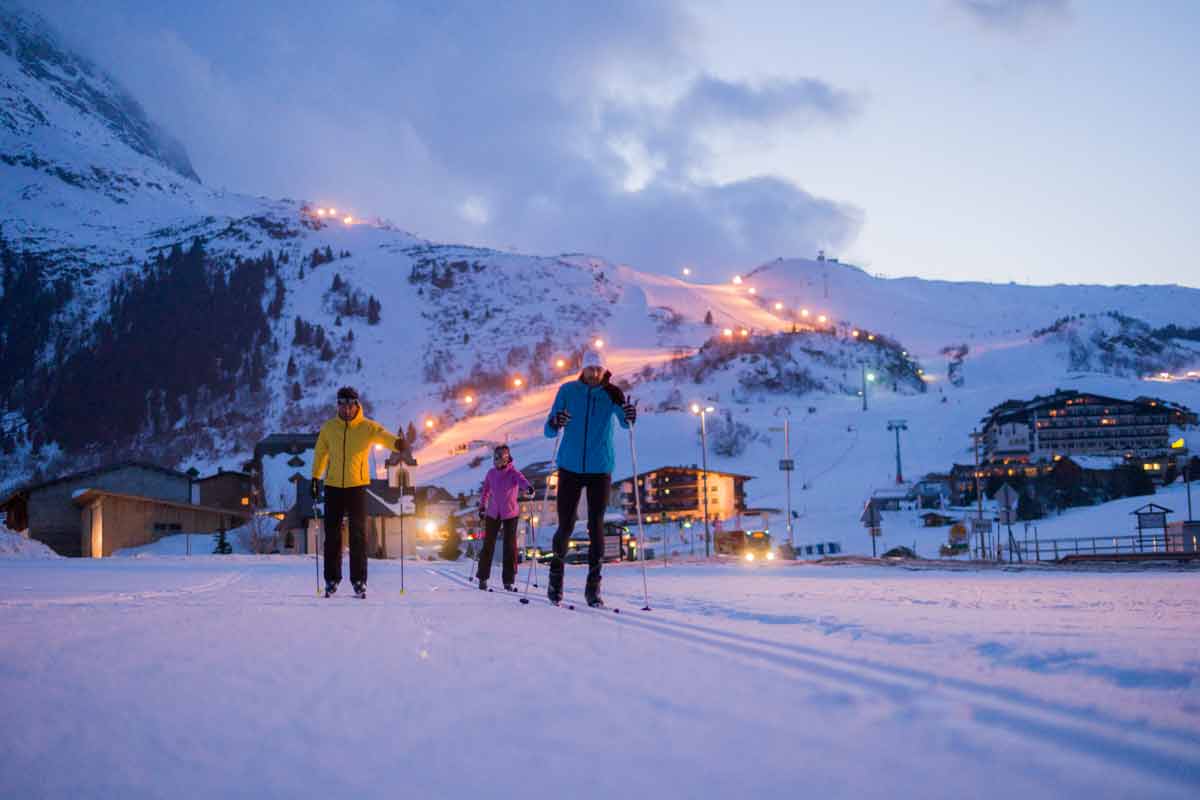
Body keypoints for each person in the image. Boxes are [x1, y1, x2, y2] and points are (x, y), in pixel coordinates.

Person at [543, 350, 636, 607]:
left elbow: (626, 424)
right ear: (582, 369)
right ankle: (555, 582)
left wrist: (629, 415)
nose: (594, 373)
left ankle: (593, 590)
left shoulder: (611, 393)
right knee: (566, 525)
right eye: (590, 368)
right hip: (570, 467)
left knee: (596, 526)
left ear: (604, 370)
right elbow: (549, 431)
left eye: (598, 369)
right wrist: (555, 421)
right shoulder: (567, 391)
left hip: (599, 468)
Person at [310, 386, 411, 599]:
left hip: (357, 487)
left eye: (350, 404)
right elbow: (320, 453)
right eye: (342, 404)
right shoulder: (329, 428)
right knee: (332, 535)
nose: (346, 409)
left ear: (357, 405)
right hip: (333, 486)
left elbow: (383, 436)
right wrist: (315, 477)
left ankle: (359, 581)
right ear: (337, 405)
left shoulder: (366, 427)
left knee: (358, 535)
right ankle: (331, 579)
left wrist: (397, 443)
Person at [476, 444, 534, 592]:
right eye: (495, 457)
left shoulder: (513, 473)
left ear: (506, 458)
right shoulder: (491, 473)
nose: (496, 460)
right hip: (493, 513)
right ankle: (483, 577)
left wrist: (528, 488)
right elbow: (485, 491)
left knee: (509, 546)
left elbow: (522, 481)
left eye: (499, 457)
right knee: (488, 544)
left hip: (510, 514)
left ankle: (508, 580)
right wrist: (482, 506)